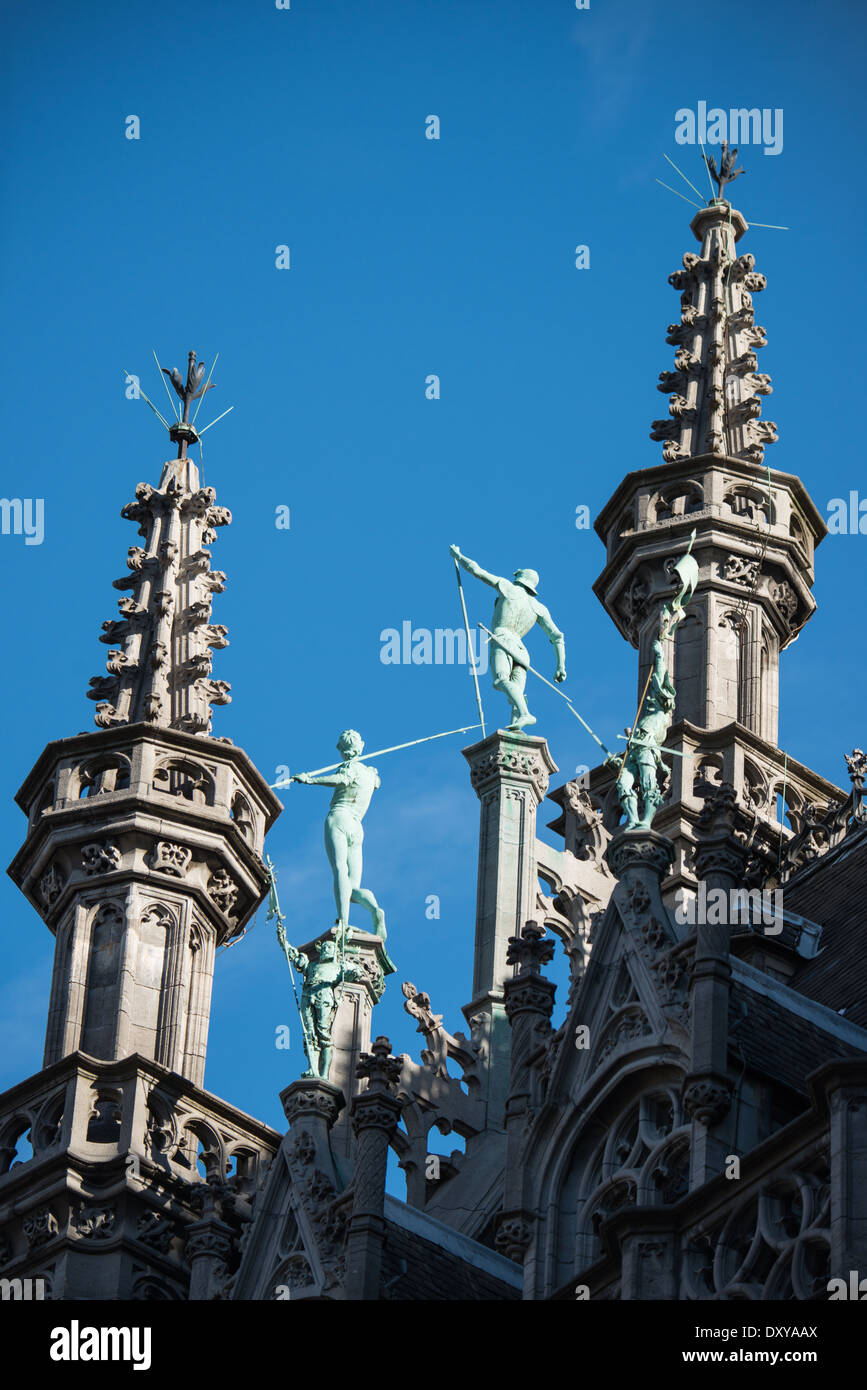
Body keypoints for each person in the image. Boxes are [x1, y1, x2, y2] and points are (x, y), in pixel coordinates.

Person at [449, 544, 566, 730]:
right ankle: (518, 722)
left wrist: (458, 556)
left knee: (500, 680)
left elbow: (477, 571)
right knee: (515, 691)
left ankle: (526, 713)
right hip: (522, 652)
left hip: (502, 640)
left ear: (519, 578)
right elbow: (557, 636)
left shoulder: (507, 587)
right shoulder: (539, 608)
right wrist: (560, 665)